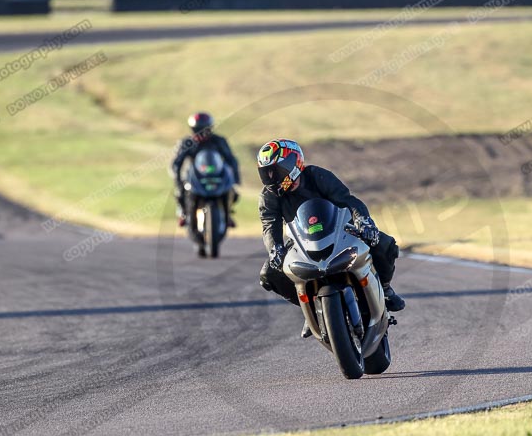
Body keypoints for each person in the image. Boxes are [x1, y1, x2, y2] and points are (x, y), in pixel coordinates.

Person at [256, 138, 405, 338]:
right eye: (266, 173)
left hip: (338, 229)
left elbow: (347, 199)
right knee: (269, 274)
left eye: (275, 171)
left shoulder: (317, 175)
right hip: (300, 241)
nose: (271, 177)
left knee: (385, 243)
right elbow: (269, 226)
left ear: (292, 164)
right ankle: (309, 311)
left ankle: (385, 289)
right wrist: (275, 249)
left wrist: (364, 221)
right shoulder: (268, 196)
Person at [171, 112, 240, 253]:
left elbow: (231, 159)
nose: (202, 132)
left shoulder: (219, 141)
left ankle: (228, 214)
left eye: (205, 129)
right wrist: (178, 179)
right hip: (194, 177)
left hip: (216, 176)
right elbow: (177, 163)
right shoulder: (187, 143)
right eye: (198, 129)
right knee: (181, 192)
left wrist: (235, 179)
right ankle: (185, 213)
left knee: (233, 192)